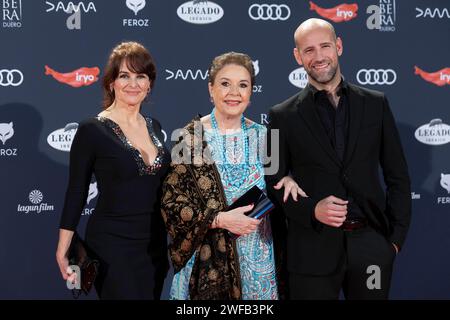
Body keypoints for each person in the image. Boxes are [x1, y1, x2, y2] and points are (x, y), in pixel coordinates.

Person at [265, 18, 411, 299]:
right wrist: (312, 210)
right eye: (308, 50)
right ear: (297, 56)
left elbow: (398, 175)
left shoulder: (376, 103)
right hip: (311, 250)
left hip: (371, 248)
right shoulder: (278, 115)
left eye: (325, 46)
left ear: (339, 46)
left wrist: (393, 242)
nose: (318, 57)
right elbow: (272, 179)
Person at [161, 52, 304, 300]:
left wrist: (289, 178)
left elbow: (278, 186)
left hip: (259, 256)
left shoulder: (266, 137)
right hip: (207, 258)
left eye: (243, 85)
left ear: (251, 93)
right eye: (225, 83)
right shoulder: (189, 137)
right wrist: (219, 220)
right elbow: (171, 204)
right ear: (211, 88)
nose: (234, 92)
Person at [56, 41, 169, 299]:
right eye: (124, 76)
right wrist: (62, 251)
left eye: (141, 76)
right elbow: (76, 191)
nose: (133, 84)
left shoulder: (155, 126)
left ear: (149, 84)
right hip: (112, 246)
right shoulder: (92, 130)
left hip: (154, 247)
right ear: (111, 83)